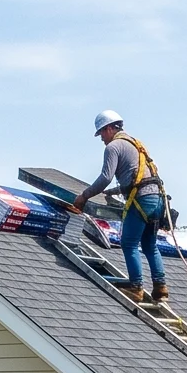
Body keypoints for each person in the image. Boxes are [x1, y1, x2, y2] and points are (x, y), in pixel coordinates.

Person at [72, 111, 169, 303]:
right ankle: (161, 289)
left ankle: (136, 287)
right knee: (149, 244)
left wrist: (84, 196)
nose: (102, 139)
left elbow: (105, 177)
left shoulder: (114, 147)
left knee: (129, 243)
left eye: (101, 134)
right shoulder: (137, 144)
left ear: (109, 128)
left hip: (141, 200)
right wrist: (114, 192)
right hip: (158, 200)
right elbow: (140, 176)